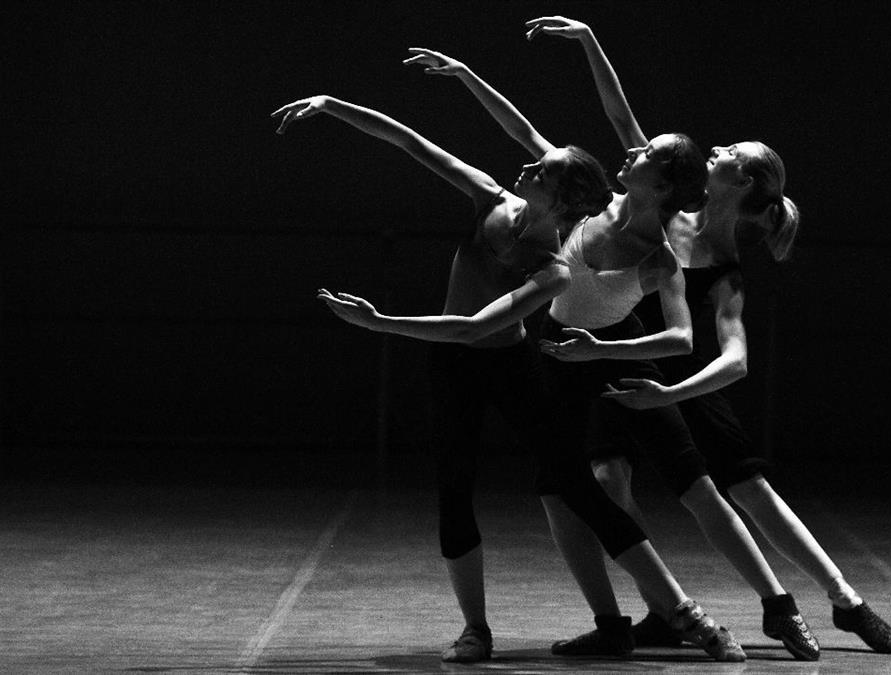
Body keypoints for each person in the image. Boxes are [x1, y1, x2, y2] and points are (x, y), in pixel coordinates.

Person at [272, 92, 745, 663]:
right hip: (453, 368)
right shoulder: (488, 197)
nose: (525, 167)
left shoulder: (552, 271)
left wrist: (380, 322)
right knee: (455, 488)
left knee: (575, 484)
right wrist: (333, 105)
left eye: (539, 171)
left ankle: (686, 614)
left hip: (511, 366)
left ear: (558, 195)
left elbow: (475, 328)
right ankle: (476, 629)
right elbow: (410, 141)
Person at [405, 44, 814, 661]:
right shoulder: (594, 204)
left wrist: (604, 351)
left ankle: (753, 608)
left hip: (614, 367)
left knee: (694, 482)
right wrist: (470, 76)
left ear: (666, 182)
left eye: (646, 154)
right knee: (567, 490)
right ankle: (624, 619)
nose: (631, 150)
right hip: (558, 364)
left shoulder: (662, 253)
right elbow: (536, 130)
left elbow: (682, 339)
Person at [526, 15, 891, 656]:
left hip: (684, 380)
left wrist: (672, 392)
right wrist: (590, 40)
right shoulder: (668, 212)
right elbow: (622, 119)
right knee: (608, 475)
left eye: (729, 154)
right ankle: (657, 609)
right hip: (628, 360)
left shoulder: (726, 271)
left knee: (744, 489)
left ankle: (844, 602)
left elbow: (733, 361)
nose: (715, 151)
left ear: (745, 182)